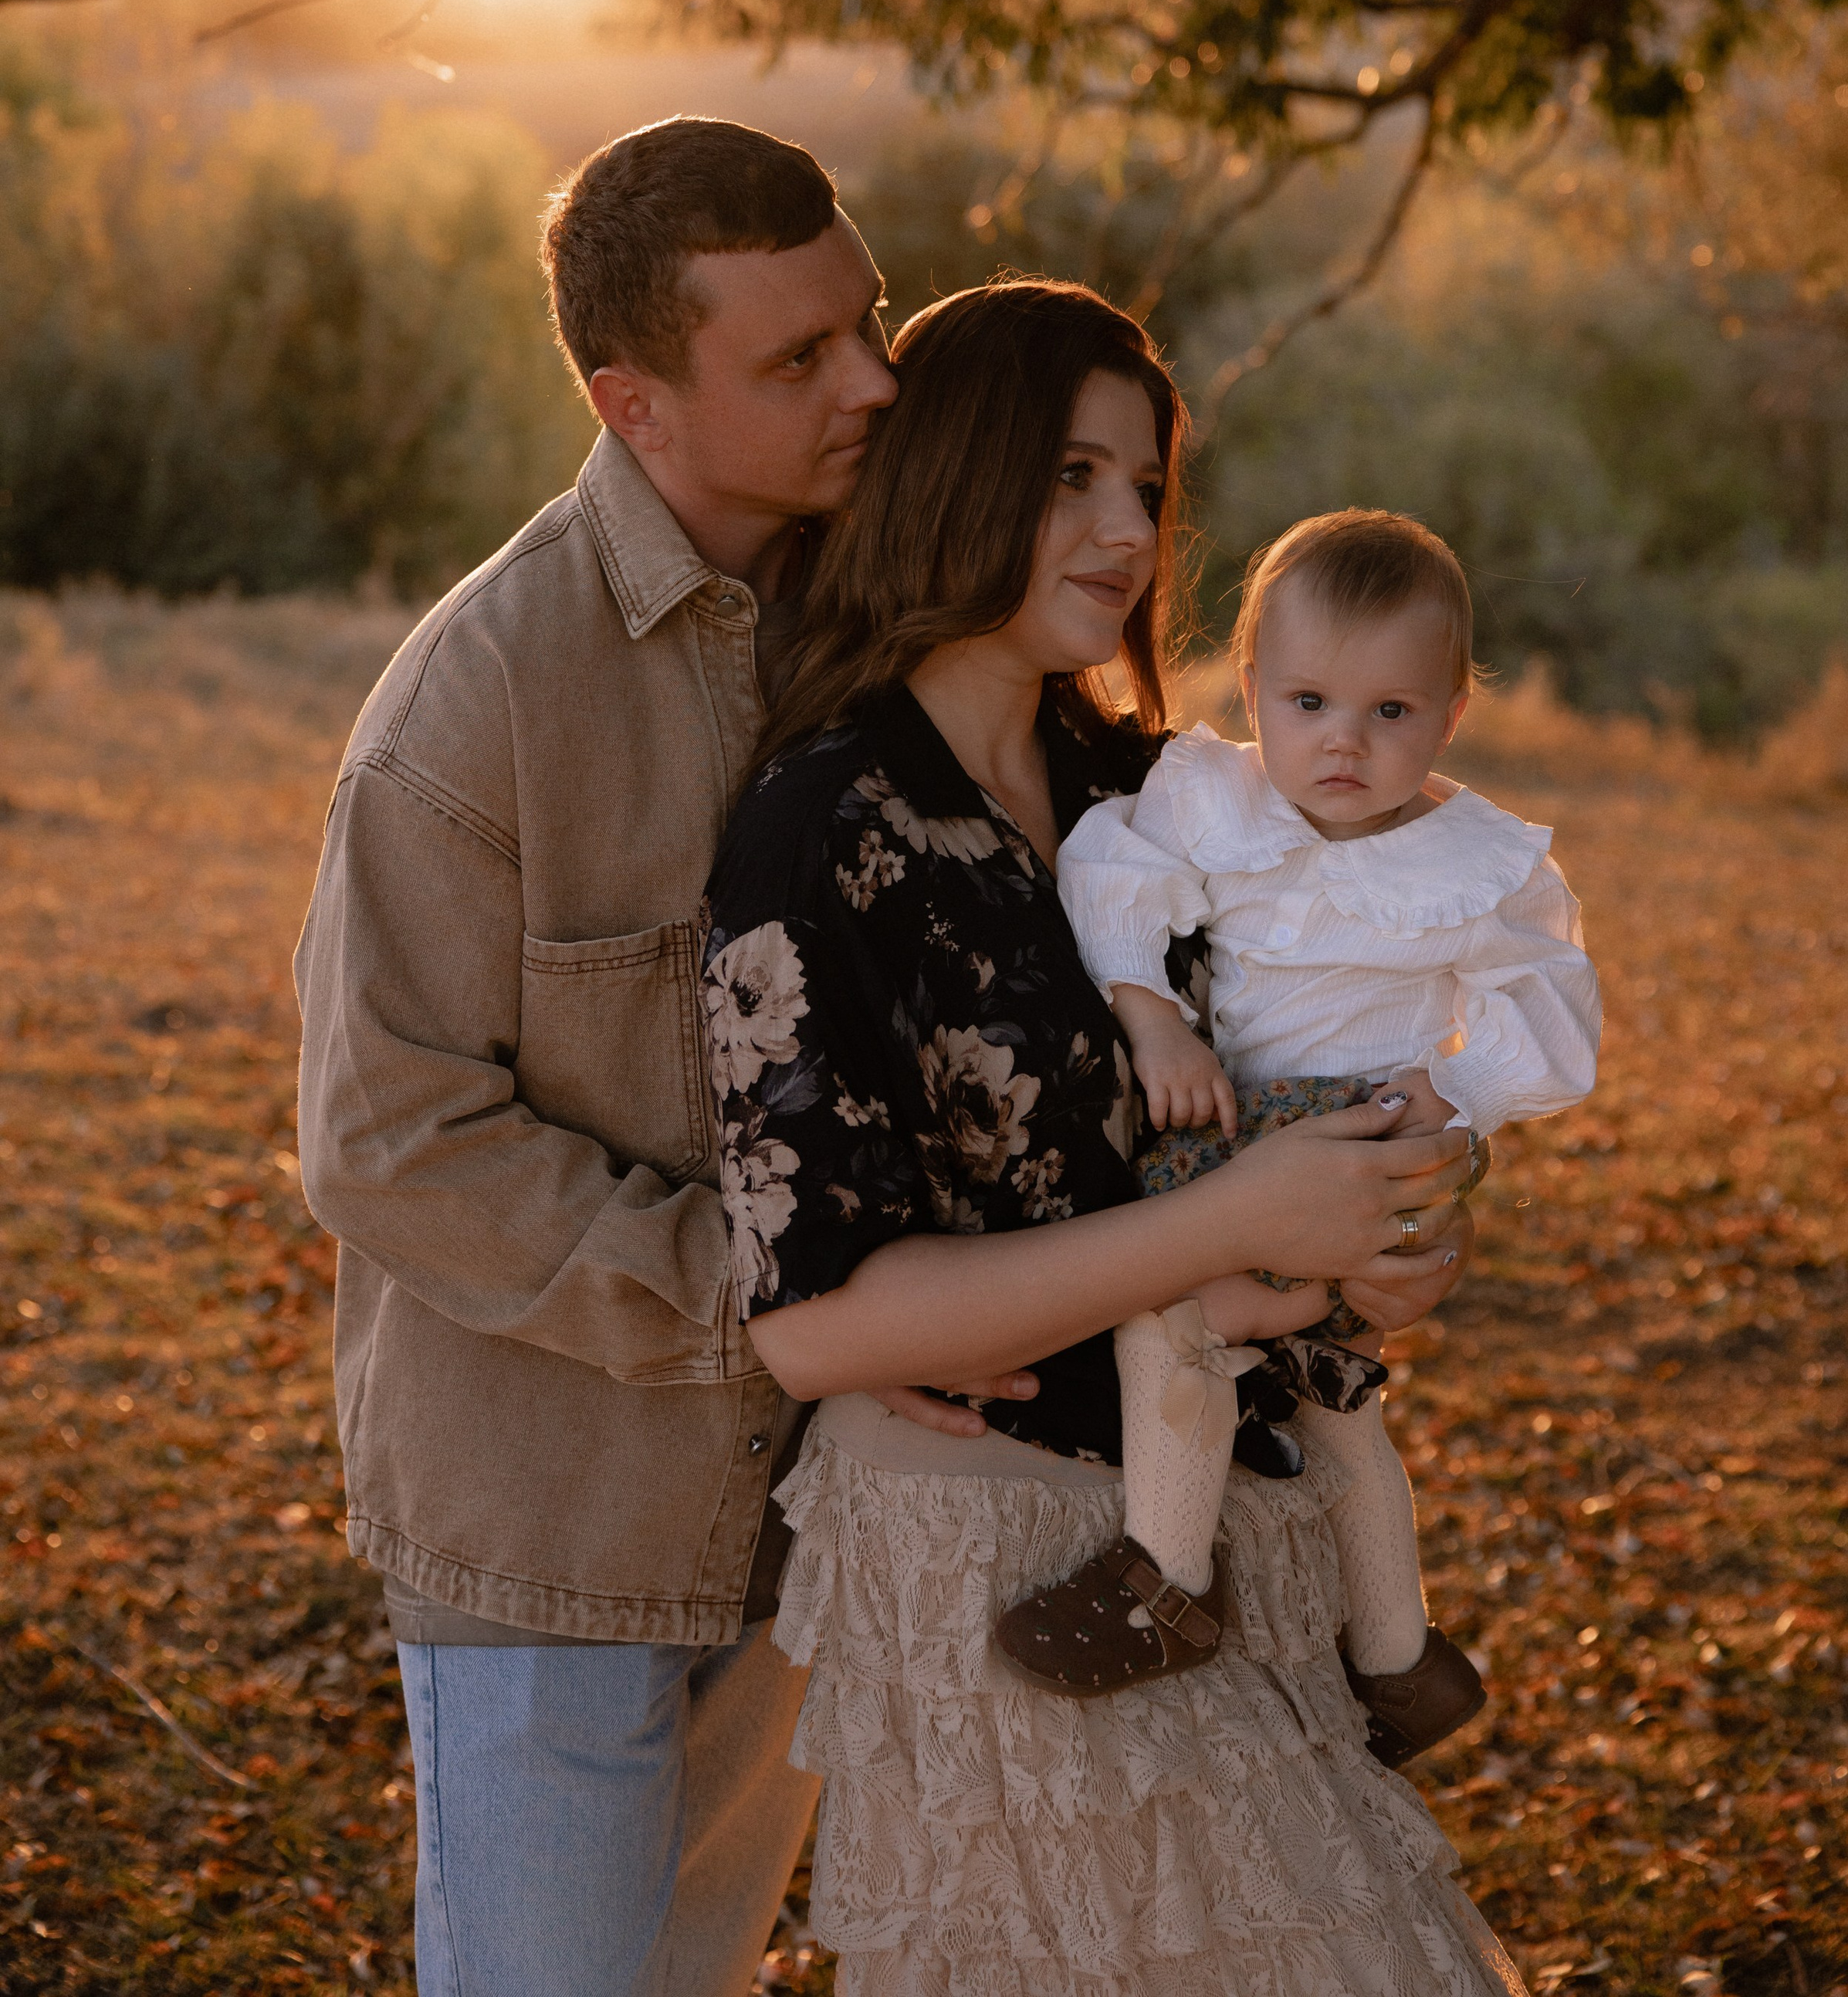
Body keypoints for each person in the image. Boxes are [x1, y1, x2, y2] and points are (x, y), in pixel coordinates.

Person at [702, 278, 1525, 1997]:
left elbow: (1339, 1051)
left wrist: (1391, 1231)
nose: (1124, 528)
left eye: (1145, 486)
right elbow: (815, 1313)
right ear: (951, 470)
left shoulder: (1159, 796)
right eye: (1071, 473)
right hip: (995, 1562)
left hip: (1237, 1515)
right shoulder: (823, 825)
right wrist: (1246, 1215)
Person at [296, 117, 1013, 1997]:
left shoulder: (886, 626)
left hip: (810, 1508)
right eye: (798, 358)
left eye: (868, 320)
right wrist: (772, 1306)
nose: (873, 380)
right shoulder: (478, 698)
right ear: (635, 401)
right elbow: (386, 1138)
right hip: (550, 1526)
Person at [999, 506, 1599, 1765]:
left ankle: (1165, 1575)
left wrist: (1457, 1097)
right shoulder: (1220, 801)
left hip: (1364, 1143)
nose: (1344, 741)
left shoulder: (1473, 860)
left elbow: (1548, 996)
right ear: (1255, 684)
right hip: (1239, 1132)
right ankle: (1401, 1657)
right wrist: (1153, 1022)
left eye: (1392, 711)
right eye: (1311, 699)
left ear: (1450, 713)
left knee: (1169, 1320)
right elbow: (1112, 873)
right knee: (1340, 1405)